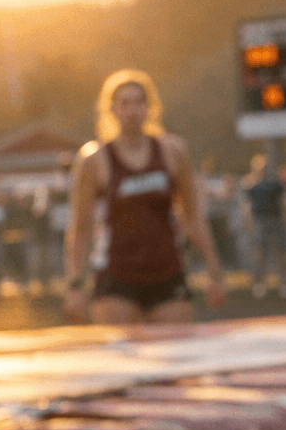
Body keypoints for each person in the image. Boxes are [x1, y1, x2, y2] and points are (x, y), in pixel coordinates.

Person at [64, 70, 226, 324]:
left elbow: (192, 217)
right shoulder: (94, 160)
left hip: (166, 272)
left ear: (150, 107)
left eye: (139, 102)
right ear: (112, 109)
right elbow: (80, 228)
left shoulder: (172, 151)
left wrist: (214, 271)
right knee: (119, 360)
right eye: (124, 103)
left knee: (177, 357)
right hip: (117, 276)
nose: (132, 110)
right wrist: (75, 285)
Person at [241, 153, 286, 298]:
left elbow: (283, 203)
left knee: (280, 251)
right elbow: (247, 205)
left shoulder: (275, 184)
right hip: (260, 220)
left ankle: (284, 283)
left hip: (275, 219)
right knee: (259, 253)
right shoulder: (251, 185)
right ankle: (259, 284)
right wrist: (247, 223)